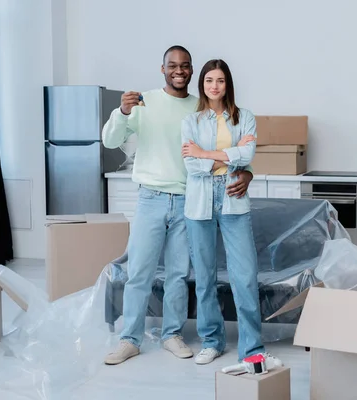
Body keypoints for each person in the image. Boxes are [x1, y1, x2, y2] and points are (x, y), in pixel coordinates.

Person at [101, 46, 255, 366]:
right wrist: (123, 112)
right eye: (173, 65)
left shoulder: (198, 108)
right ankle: (129, 339)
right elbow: (110, 140)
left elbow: (231, 155)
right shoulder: (144, 101)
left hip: (189, 199)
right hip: (151, 197)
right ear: (163, 69)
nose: (179, 70)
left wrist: (243, 169)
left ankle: (172, 334)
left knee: (177, 275)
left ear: (192, 71)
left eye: (185, 66)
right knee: (139, 271)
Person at [181, 59, 280, 366]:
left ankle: (251, 349)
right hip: (199, 202)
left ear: (228, 84)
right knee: (205, 277)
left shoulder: (245, 117)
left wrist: (205, 153)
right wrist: (229, 156)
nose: (214, 86)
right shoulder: (191, 121)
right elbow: (191, 166)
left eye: (220, 80)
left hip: (233, 196)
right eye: (209, 80)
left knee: (245, 276)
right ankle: (211, 340)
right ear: (202, 84)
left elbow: (247, 155)